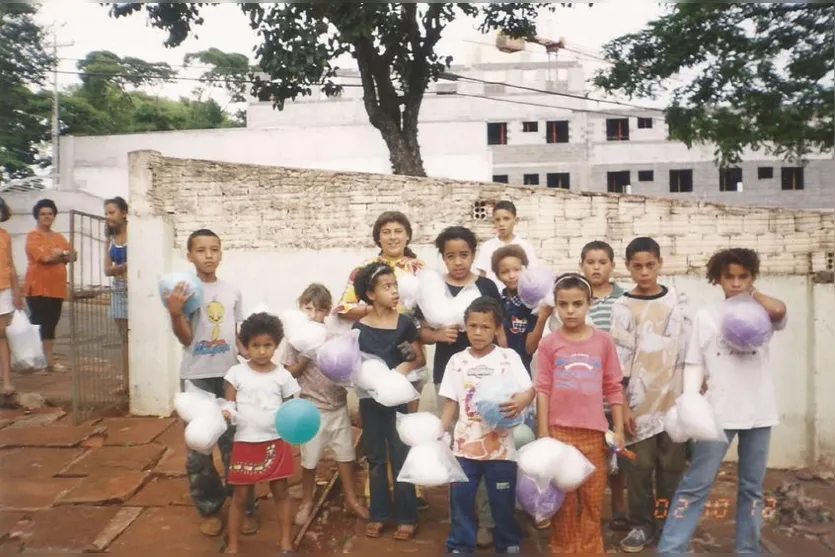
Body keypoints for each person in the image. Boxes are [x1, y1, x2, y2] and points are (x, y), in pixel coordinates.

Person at [657, 248, 787, 554]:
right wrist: (690, 403)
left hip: (760, 412)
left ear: (753, 277)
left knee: (752, 489)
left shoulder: (764, 312)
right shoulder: (706, 316)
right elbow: (694, 363)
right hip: (718, 414)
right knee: (696, 484)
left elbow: (780, 311)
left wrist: (752, 294)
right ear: (717, 278)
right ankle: (672, 549)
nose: (736, 282)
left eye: (743, 276)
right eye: (729, 276)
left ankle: (748, 549)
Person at [334, 211, 430, 510]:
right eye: (386, 231)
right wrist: (376, 313)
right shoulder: (364, 269)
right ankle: (376, 489)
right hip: (374, 357)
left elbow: (430, 311)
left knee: (406, 429)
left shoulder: (420, 269)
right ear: (378, 237)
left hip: (408, 354)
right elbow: (342, 307)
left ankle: (412, 490)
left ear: (407, 235)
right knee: (376, 432)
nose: (392, 237)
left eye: (398, 231)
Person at [417, 225, 506, 548]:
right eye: (451, 256)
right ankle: (461, 519)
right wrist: (438, 336)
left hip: (489, 382)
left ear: (473, 254)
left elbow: (501, 331)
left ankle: (487, 521)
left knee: (488, 448)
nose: (458, 262)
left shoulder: (485, 286)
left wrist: (508, 370)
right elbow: (421, 331)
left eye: (464, 254)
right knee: (458, 449)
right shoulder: (433, 289)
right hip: (449, 379)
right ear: (442, 257)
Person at [164, 229, 256, 538]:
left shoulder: (232, 292)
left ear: (221, 253)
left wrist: (255, 356)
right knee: (199, 447)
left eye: (214, 249)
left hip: (229, 376)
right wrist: (176, 314)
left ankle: (244, 507)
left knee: (237, 444)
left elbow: (237, 337)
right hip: (196, 378)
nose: (208, 255)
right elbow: (186, 339)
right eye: (201, 250)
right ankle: (210, 507)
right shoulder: (185, 292)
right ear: (189, 255)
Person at [609, 237, 690, 553]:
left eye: (650, 265)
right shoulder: (623, 306)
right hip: (638, 405)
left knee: (672, 469)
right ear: (628, 267)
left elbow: (687, 350)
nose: (644, 272)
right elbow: (620, 361)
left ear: (660, 263)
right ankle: (641, 525)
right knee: (639, 469)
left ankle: (668, 525)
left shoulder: (677, 301)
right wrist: (624, 406)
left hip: (674, 402)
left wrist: (691, 396)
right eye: (637, 266)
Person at [536, 273, 625, 553]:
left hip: (594, 434)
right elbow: (543, 389)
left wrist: (619, 428)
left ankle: (590, 548)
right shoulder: (549, 344)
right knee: (563, 498)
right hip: (559, 433)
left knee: (592, 498)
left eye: (577, 304)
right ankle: (563, 548)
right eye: (563, 305)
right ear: (557, 306)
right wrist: (543, 434)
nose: (570, 311)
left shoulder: (603, 342)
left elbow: (613, 386)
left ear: (590, 303)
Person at [438, 296, 535, 554]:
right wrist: (441, 431)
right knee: (462, 499)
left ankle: (508, 542)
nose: (478, 333)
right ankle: (460, 544)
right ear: (465, 327)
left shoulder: (508, 357)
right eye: (472, 326)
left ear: (496, 329)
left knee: (502, 500)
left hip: (501, 446)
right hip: (464, 445)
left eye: (485, 327)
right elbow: (450, 401)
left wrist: (522, 402)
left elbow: (529, 390)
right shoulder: (457, 361)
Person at [281, 283, 368, 526]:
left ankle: (352, 500)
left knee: (345, 456)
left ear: (327, 311)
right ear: (300, 309)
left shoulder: (333, 337)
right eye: (308, 308)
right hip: (311, 409)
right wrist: (308, 355)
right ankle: (307, 500)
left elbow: (346, 371)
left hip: (338, 405)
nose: (313, 315)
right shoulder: (295, 342)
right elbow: (292, 374)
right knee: (310, 460)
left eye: (319, 310)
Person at [352, 262, 425, 542]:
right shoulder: (359, 329)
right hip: (370, 402)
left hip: (398, 400)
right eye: (387, 287)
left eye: (395, 285)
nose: (395, 291)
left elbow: (416, 357)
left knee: (400, 453)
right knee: (376, 458)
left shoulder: (404, 323)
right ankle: (379, 514)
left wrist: (395, 376)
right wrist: (372, 383)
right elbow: (355, 366)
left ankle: (407, 517)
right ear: (371, 294)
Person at [221, 312, 301, 554]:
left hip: (275, 441)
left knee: (281, 492)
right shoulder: (237, 373)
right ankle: (233, 545)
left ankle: (286, 542)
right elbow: (229, 402)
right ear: (246, 346)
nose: (262, 351)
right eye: (256, 345)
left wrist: (295, 432)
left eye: (268, 345)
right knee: (240, 496)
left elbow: (292, 409)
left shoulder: (283, 376)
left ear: (276, 344)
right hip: (245, 442)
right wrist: (227, 410)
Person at [579, 240, 628, 531]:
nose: (596, 267)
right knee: (588, 453)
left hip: (613, 387)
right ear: (582, 265)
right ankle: (588, 509)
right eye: (590, 262)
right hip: (584, 391)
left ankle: (619, 505)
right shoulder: (576, 297)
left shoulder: (624, 299)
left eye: (602, 262)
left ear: (612, 265)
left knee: (617, 452)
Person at [23, 199, 75, 373]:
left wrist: (61, 254)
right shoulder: (33, 236)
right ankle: (32, 360)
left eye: (50, 214)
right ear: (37, 216)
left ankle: (49, 362)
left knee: (51, 324)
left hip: (57, 288)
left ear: (54, 216)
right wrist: (62, 255)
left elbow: (73, 255)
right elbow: (44, 259)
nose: (46, 217)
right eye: (43, 214)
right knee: (37, 324)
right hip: (38, 288)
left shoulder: (59, 237)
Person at [474, 201, 538, 292]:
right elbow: (482, 276)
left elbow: (532, 275)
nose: (501, 224)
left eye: (506, 219)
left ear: (515, 220)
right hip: (493, 298)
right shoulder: (486, 247)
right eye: (497, 220)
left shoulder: (526, 247)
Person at [104, 197, 129, 391]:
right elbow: (106, 270)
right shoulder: (110, 241)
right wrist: (125, 267)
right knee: (125, 339)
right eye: (106, 213)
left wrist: (117, 268)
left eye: (111, 212)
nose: (108, 216)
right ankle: (127, 382)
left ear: (123, 213)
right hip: (120, 290)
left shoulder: (135, 234)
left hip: (137, 291)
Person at [0, 198, 24, 398]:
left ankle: (7, 381)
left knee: (2, 335)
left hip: (4, 289)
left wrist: (17, 292)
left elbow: (11, 265)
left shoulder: (5, 236)